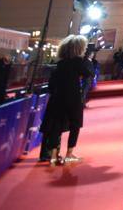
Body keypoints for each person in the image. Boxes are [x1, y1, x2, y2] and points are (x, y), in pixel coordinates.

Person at [39, 35, 92, 165]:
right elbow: (88, 73)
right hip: (73, 97)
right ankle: (69, 154)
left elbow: (52, 84)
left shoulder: (60, 63)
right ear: (78, 48)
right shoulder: (78, 62)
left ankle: (53, 156)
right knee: (75, 125)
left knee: (56, 126)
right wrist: (85, 60)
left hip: (58, 98)